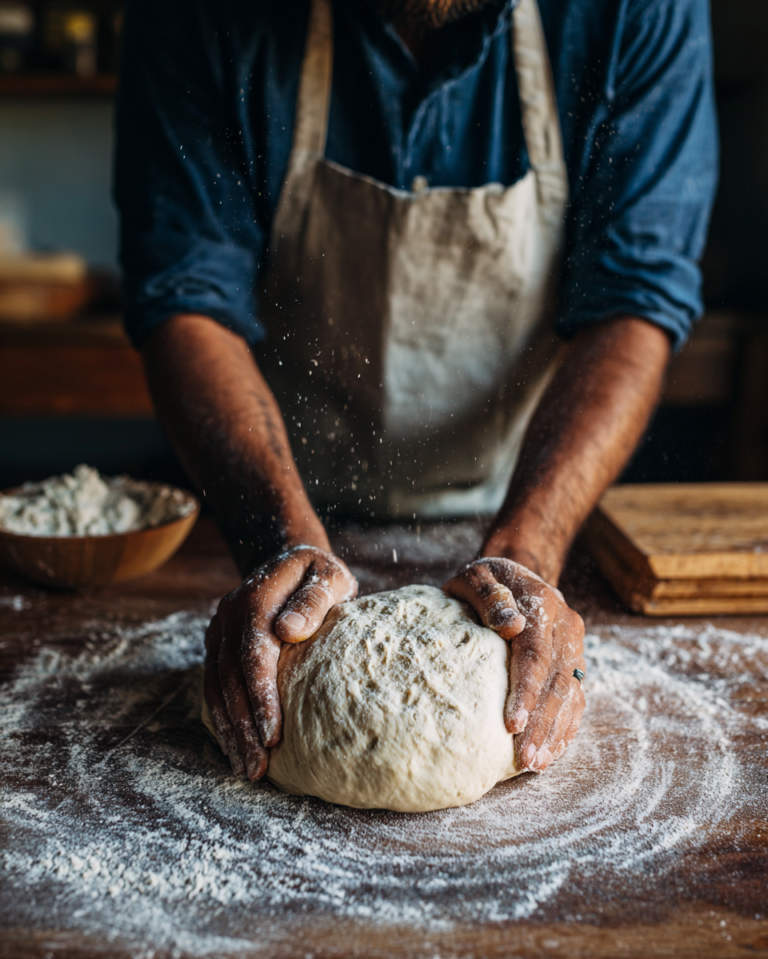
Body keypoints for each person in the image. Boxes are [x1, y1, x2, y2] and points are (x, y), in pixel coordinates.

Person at [115, 0, 717, 781]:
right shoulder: (203, 18)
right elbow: (185, 296)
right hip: (263, 503)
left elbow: (634, 304)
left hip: (519, 499)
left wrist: (529, 551)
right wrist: (281, 543)